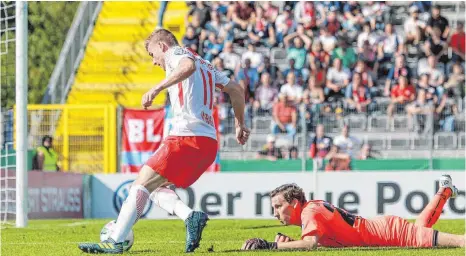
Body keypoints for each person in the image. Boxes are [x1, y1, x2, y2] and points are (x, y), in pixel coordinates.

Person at [78, 29, 249, 254]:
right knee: (156, 188)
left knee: (139, 185)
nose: (153, 62)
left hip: (186, 137)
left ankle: (116, 241)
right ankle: (190, 216)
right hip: (208, 144)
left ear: (162, 46)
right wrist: (239, 124)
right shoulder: (206, 64)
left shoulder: (176, 54)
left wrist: (157, 88)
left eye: (152, 55)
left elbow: (187, 66)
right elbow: (236, 90)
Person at [241, 176, 463, 250]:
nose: (275, 213)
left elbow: (309, 245)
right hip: (386, 229)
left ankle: (444, 190)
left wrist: (273, 246)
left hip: (391, 234)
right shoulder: (311, 210)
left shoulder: (310, 213)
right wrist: (288, 243)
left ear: (295, 202)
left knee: (459, 242)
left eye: (278, 206)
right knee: (420, 227)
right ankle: (444, 190)